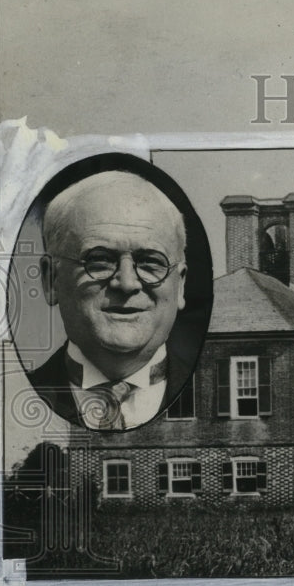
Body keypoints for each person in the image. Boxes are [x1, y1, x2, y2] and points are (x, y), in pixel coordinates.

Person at [28, 167, 193, 430]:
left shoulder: (203, 389)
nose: (127, 283)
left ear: (180, 285)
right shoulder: (12, 398)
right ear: (51, 280)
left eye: (150, 262)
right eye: (100, 260)